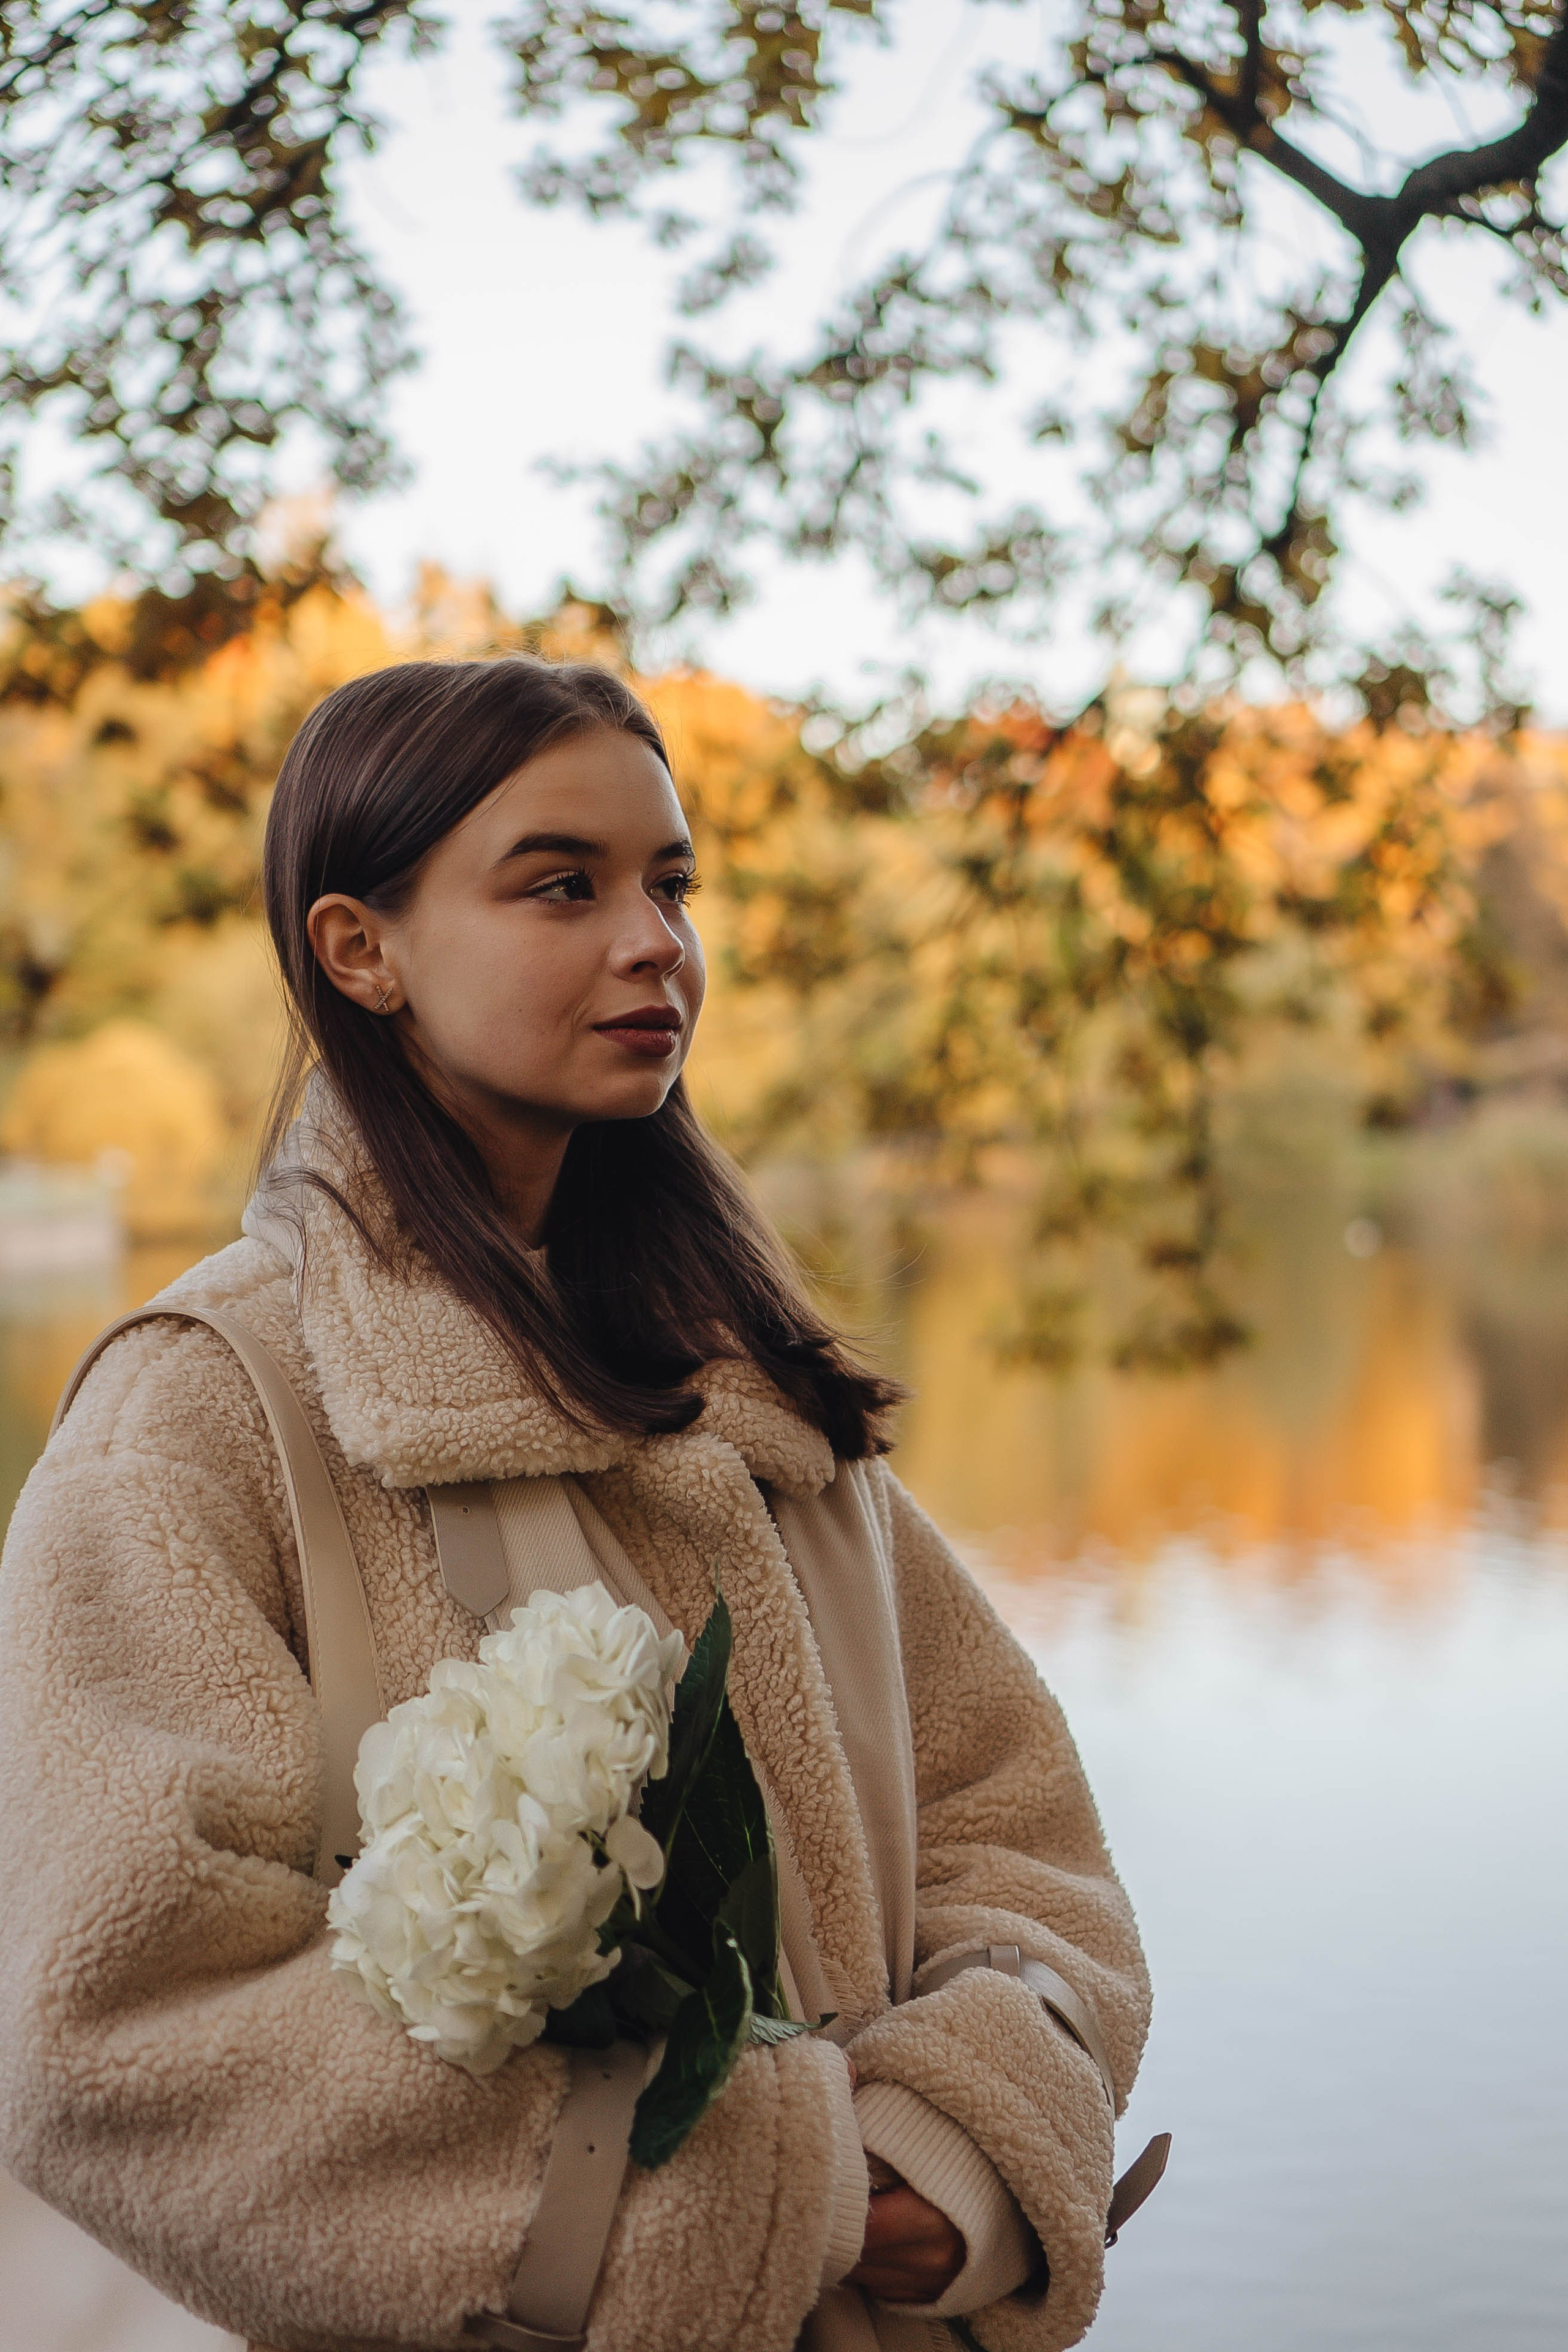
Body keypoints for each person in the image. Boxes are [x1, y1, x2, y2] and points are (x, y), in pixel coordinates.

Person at [0, 656, 1151, 2352]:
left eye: (671, 882)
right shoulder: (198, 1414)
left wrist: (951, 2151)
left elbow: (1015, 1830)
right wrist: (776, 2193)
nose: (654, 942)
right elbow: (121, 2030)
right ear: (359, 948)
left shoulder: (751, 1394)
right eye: (564, 885)